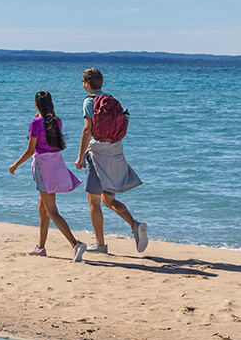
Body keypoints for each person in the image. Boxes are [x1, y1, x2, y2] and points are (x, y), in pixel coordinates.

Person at [74, 67, 149, 254]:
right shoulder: (111, 99)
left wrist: (80, 156)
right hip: (114, 150)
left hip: (97, 152)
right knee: (108, 199)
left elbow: (87, 129)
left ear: (86, 84)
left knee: (94, 201)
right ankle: (135, 225)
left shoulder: (89, 101)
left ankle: (100, 245)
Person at [8, 91, 85, 261]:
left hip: (43, 167)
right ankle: (41, 247)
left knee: (52, 211)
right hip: (56, 164)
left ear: (36, 104)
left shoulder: (35, 123)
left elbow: (30, 150)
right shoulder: (57, 121)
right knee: (42, 208)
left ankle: (75, 244)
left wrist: (15, 164)